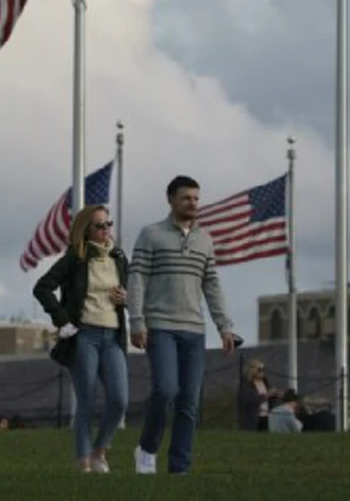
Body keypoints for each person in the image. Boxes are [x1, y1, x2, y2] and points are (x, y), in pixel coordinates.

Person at [128, 175, 236, 476]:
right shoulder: (150, 234)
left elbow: (212, 284)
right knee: (165, 389)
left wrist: (224, 326)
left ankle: (179, 469)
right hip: (160, 325)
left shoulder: (205, 239)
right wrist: (136, 320)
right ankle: (147, 449)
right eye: (187, 198)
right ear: (171, 200)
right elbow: (136, 278)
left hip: (194, 329)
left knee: (188, 402)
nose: (193, 203)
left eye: (196, 198)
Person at [33, 204, 130, 474]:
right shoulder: (75, 258)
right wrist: (62, 320)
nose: (106, 230)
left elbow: (133, 293)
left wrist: (128, 298)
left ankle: (100, 451)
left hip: (113, 337)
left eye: (108, 224)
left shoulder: (119, 258)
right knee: (86, 401)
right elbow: (42, 288)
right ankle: (83, 462)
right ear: (86, 230)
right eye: (99, 225)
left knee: (120, 400)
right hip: (84, 336)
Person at [238, 358, 274, 431]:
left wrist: (274, 395)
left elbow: (270, 399)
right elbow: (249, 400)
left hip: (266, 416)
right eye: (259, 369)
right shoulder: (246, 384)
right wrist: (266, 396)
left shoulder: (265, 382)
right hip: (253, 417)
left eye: (263, 369)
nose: (262, 372)